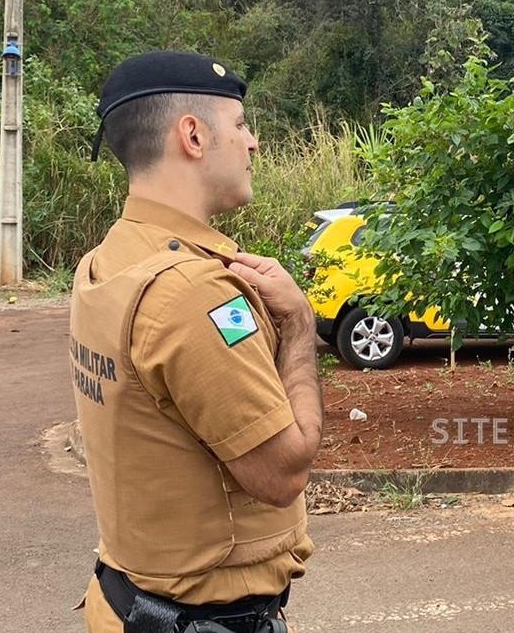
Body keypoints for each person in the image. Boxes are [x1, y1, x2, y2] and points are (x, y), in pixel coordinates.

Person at [68, 50, 323, 633]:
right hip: (200, 620)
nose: (252, 142)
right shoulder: (192, 293)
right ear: (193, 135)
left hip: (126, 600)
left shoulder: (107, 262)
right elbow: (282, 473)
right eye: (240, 125)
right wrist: (300, 325)